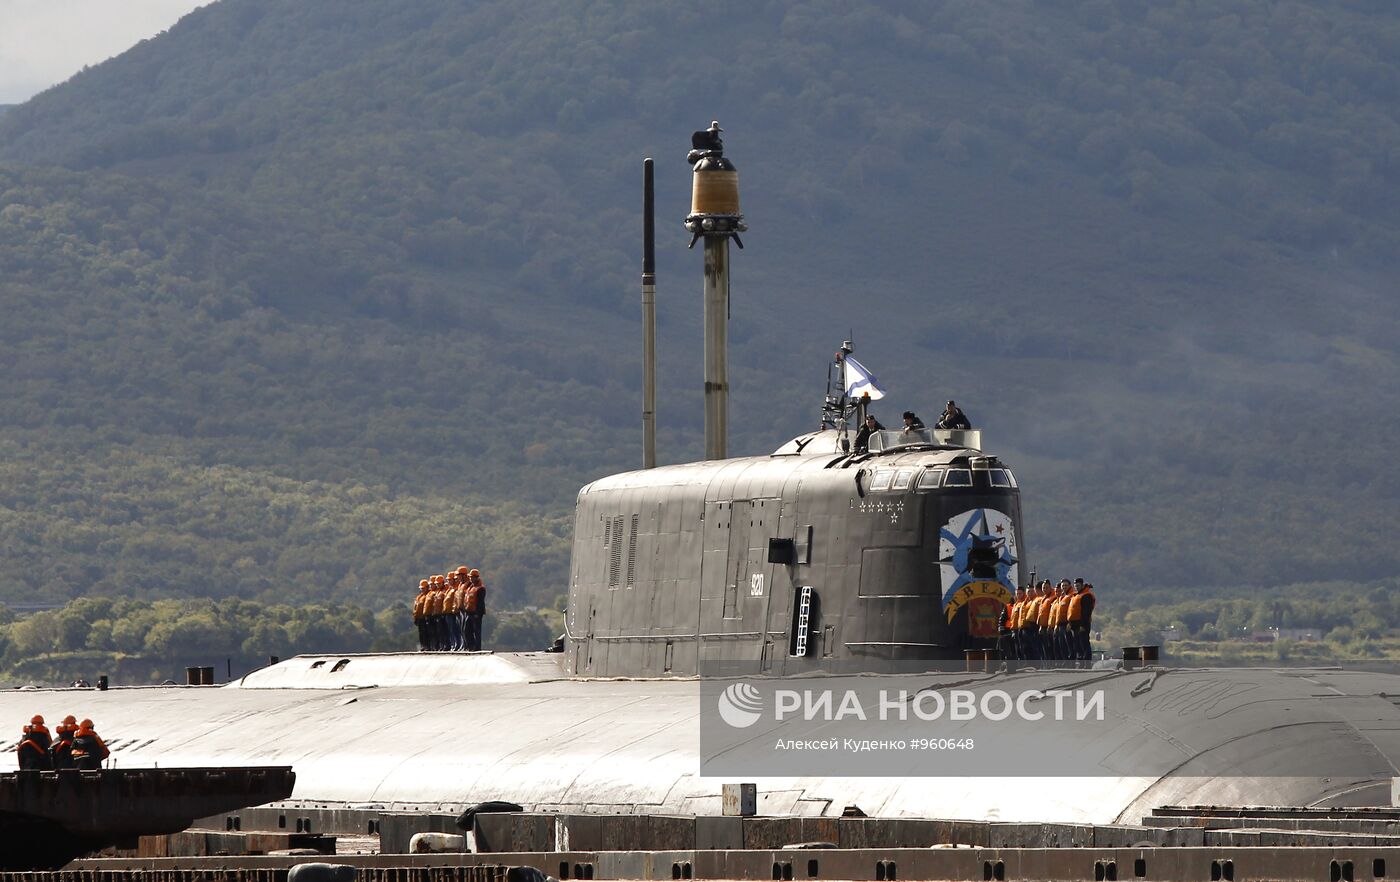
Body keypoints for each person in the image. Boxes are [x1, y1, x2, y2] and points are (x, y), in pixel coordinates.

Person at [1069, 580, 1096, 662]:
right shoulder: (1076, 596)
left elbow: (1086, 612)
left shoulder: (1086, 596)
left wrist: (1083, 625)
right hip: (1075, 624)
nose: (1076, 587)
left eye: (1078, 585)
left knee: (1084, 643)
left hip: (1082, 624)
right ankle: (1081, 661)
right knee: (1077, 645)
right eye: (1075, 586)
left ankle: (1086, 662)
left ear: (1082, 585)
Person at [464, 569, 486, 651]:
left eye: (472, 577)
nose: (471, 579)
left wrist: (478, 613)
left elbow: (480, 602)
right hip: (469, 612)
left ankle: (477, 647)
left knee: (477, 631)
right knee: (467, 630)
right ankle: (471, 646)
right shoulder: (470, 587)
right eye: (470, 577)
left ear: (476, 577)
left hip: (476, 613)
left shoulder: (480, 588)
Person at [413, 580, 431, 651]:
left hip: (425, 617)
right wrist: (415, 617)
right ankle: (423, 646)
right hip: (419, 618)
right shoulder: (419, 597)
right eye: (421, 588)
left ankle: (427, 646)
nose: (422, 590)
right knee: (421, 633)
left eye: (423, 588)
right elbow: (415, 608)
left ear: (427, 588)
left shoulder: (428, 595)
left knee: (426, 632)